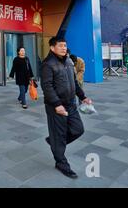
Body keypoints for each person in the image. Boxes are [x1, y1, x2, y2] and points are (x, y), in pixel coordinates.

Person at [41, 36, 93, 179]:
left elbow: (74, 83)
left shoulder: (69, 61)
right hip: (56, 107)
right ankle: (61, 163)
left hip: (71, 104)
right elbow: (47, 87)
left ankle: (54, 142)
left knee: (78, 129)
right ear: (52, 48)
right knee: (59, 135)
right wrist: (57, 105)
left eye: (65, 45)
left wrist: (83, 97)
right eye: (61, 45)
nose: (64, 48)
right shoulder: (48, 64)